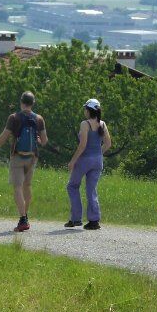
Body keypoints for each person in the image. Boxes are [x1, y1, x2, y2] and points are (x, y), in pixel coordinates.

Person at [0, 90, 47, 232]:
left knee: (17, 187)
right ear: (33, 103)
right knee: (27, 186)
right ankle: (25, 216)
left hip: (17, 156)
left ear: (21, 102)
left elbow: (4, 136)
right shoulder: (39, 119)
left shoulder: (14, 118)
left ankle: (23, 218)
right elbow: (44, 141)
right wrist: (37, 139)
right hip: (32, 157)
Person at [66, 98, 112, 230]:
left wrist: (73, 161)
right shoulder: (102, 124)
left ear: (88, 110)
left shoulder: (85, 124)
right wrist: (98, 154)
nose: (84, 111)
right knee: (91, 190)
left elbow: (82, 145)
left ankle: (75, 219)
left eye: (85, 109)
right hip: (97, 161)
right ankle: (94, 220)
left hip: (84, 160)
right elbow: (108, 144)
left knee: (72, 186)